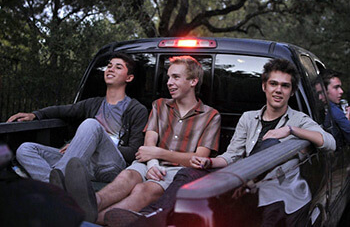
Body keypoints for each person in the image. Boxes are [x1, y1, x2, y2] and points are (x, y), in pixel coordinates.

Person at [114, 58, 336, 227]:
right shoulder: (249, 118)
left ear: (291, 90)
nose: (278, 90)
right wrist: (209, 163)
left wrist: (290, 130)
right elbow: (231, 156)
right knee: (187, 173)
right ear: (264, 87)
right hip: (239, 181)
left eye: (285, 86)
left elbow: (329, 142)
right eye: (273, 84)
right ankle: (151, 217)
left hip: (273, 192)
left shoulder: (299, 120)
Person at [64, 55, 221, 225]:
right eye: (168, 77)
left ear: (193, 82)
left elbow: (198, 159)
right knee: (127, 177)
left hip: (178, 171)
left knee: (144, 189)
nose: (169, 82)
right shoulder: (159, 105)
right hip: (150, 162)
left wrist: (159, 153)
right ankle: (92, 203)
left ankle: (92, 220)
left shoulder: (211, 116)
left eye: (175, 77)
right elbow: (149, 141)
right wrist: (152, 162)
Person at [7, 52, 148, 186]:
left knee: (91, 125)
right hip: (83, 165)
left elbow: (133, 151)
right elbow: (62, 110)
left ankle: (59, 178)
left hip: (110, 167)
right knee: (25, 149)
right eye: (109, 66)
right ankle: (55, 186)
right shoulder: (93, 103)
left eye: (118, 67)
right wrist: (36, 114)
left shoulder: (136, 110)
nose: (111, 69)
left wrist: (88, 142)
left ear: (129, 78)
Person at [321, 69, 350, 143]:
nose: (341, 91)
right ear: (324, 90)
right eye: (336, 87)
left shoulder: (332, 108)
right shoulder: (334, 110)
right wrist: (348, 116)